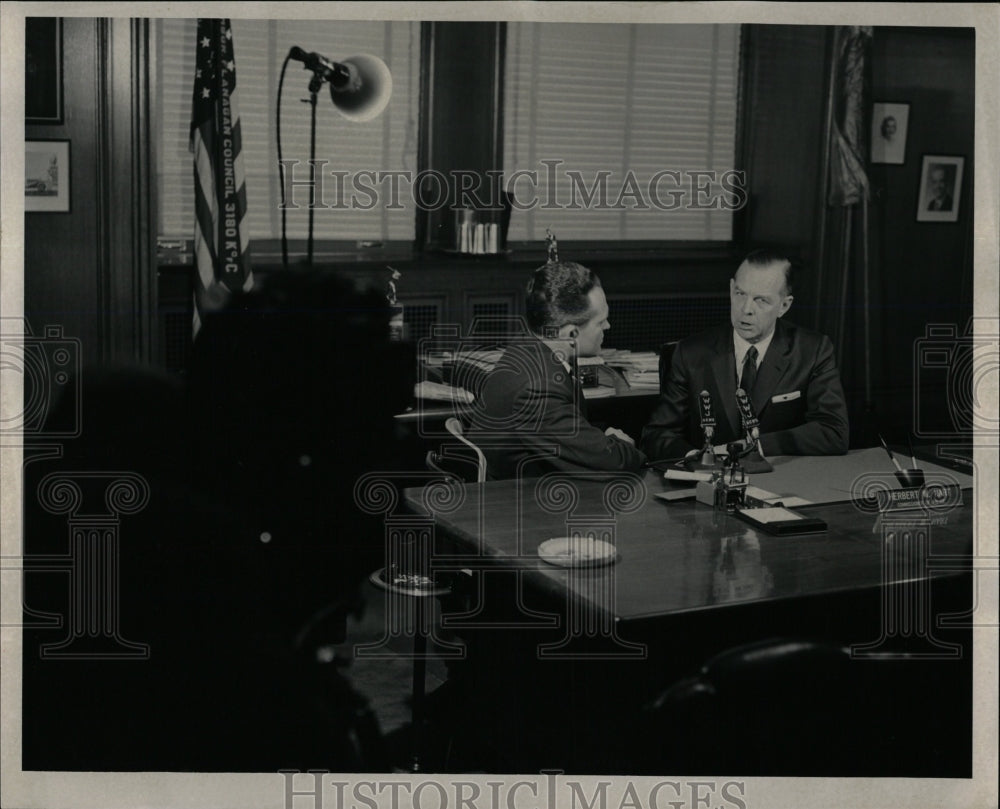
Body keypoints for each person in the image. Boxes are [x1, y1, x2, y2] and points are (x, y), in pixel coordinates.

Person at [641, 249, 849, 460]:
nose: (746, 309)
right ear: (731, 289)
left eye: (761, 300)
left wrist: (753, 446)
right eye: (740, 294)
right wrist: (699, 459)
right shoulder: (690, 353)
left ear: (784, 306)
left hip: (779, 479)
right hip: (709, 482)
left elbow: (834, 431)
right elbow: (656, 435)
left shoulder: (812, 350)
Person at [466, 260, 646, 478]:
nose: (608, 327)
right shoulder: (538, 389)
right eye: (601, 322)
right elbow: (615, 462)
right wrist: (622, 444)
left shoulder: (526, 348)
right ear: (571, 334)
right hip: (522, 505)